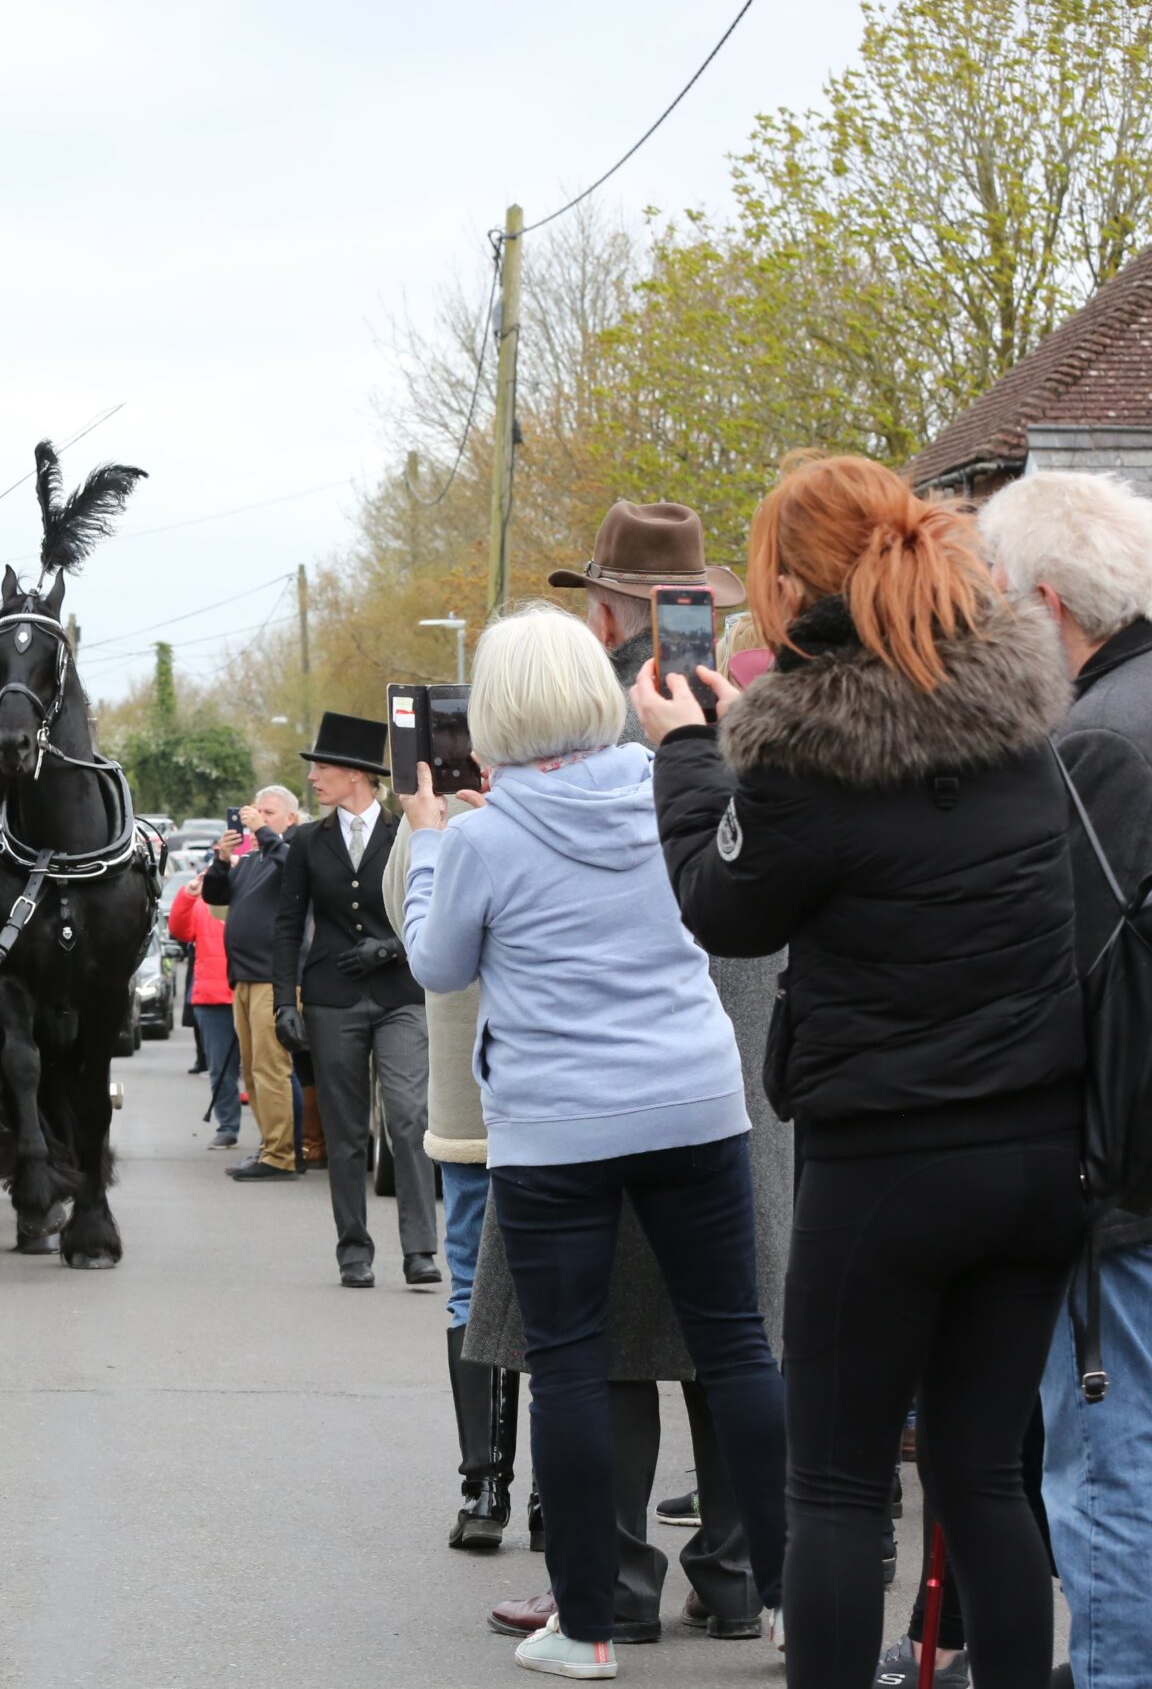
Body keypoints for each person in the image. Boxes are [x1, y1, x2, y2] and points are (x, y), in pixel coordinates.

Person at [639, 453, 1084, 1689]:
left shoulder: (803, 747)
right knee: (983, 1473)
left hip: (885, 1154)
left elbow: (722, 907)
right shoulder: (1022, 718)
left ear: (792, 583)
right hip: (1037, 1149)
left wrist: (688, 754)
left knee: (833, 1485)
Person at [403, 604, 788, 1679]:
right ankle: (790, 1596)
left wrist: (427, 842)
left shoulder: (482, 837)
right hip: (693, 1099)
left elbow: (438, 965)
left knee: (569, 1364)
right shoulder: (670, 792)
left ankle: (588, 1622)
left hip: (555, 1123)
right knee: (737, 1345)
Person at [981, 468, 1152, 1689]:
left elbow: (1063, 980)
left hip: (1120, 1171)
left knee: (1105, 1464)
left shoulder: (1095, 741)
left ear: (1047, 603)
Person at [385, 782, 517, 1551]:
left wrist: (428, 828)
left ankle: (492, 1488)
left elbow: (411, 921)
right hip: (524, 1082)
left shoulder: (442, 819)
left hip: (481, 1073)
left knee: (479, 1281)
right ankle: (530, 1489)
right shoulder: (573, 790)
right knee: (550, 1291)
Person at [273, 714, 438, 1288]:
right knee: (344, 1134)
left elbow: (434, 902)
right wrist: (283, 1002)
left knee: (409, 1119)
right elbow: (287, 926)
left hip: (400, 995)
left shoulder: (407, 832)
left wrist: (390, 948)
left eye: (322, 767)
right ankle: (353, 1250)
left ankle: (420, 1249)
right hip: (331, 999)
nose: (313, 777)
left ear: (356, 775)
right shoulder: (305, 841)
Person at [198, 785, 306, 1181]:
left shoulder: (292, 852)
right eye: (256, 811)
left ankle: (281, 1155)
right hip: (243, 977)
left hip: (273, 978)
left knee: (271, 1067)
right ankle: (272, 1145)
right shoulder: (251, 860)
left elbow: (291, 868)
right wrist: (222, 859)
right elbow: (215, 895)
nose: (257, 817)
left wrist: (262, 831)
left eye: (269, 812)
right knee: (253, 1068)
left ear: (291, 819)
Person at [167, 873, 240, 1149]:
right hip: (212, 998)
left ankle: (274, 1136)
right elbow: (179, 929)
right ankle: (228, 1126)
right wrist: (188, 894)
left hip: (252, 990)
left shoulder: (255, 897)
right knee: (220, 1070)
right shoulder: (202, 905)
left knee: (264, 1070)